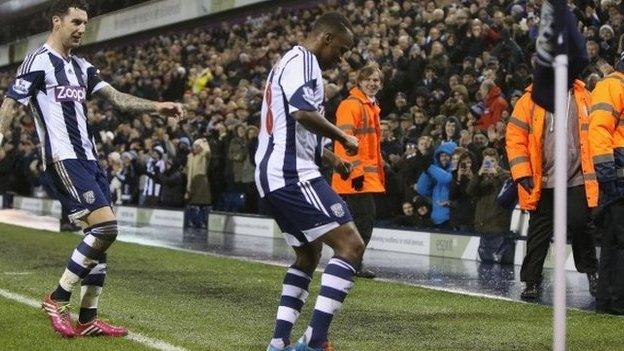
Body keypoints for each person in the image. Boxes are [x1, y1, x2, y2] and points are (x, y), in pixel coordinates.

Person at [0, 0, 183, 337]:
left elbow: (118, 99)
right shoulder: (38, 61)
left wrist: (159, 106)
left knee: (97, 239)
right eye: (76, 22)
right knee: (106, 229)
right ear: (57, 22)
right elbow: (11, 102)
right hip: (64, 159)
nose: (82, 28)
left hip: (89, 159)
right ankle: (57, 298)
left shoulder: (83, 67)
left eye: (85, 23)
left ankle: (87, 320)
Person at [256, 12, 363, 351]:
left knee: (308, 254)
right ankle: (316, 340)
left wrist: (333, 158)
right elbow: (302, 112)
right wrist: (343, 138)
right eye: (342, 50)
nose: (342, 59)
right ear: (326, 39)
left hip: (277, 172)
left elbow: (298, 127)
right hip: (289, 172)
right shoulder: (303, 60)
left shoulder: (292, 63)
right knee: (351, 245)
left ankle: (278, 342)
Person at [506, 81, 598, 300]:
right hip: (543, 179)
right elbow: (514, 136)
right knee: (539, 232)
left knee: (581, 225)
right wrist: (522, 172)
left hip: (577, 177)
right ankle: (531, 281)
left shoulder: (586, 96)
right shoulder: (529, 99)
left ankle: (592, 273)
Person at [331, 63, 385, 279]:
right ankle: (350, 263)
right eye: (369, 80)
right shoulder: (352, 105)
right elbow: (346, 142)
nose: (373, 83)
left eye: (376, 81)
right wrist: (356, 174)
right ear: (360, 82)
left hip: (364, 175)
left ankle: (351, 262)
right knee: (364, 219)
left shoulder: (370, 106)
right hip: (356, 176)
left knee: (360, 220)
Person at [588, 51, 624, 315]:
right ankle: (616, 301)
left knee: (614, 240)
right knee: (618, 240)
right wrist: (607, 173)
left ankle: (608, 301)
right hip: (618, 177)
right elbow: (599, 130)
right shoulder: (613, 85)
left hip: (617, 176)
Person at [416, 141, 457, 229]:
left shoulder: (455, 172)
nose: (444, 158)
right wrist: (426, 171)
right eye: (441, 156)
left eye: (447, 155)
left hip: (450, 220)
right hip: (435, 219)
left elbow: (447, 179)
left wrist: (429, 167)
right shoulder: (435, 173)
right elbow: (422, 190)